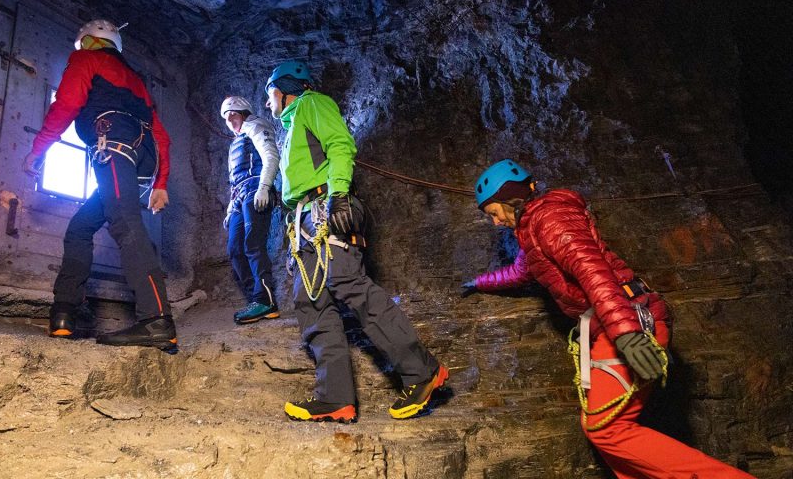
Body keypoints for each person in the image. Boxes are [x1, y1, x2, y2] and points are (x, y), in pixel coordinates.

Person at [464, 159, 754, 478]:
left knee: (606, 429)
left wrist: (625, 333)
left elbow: (593, 272)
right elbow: (521, 273)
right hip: (612, 323)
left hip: (627, 320)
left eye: (493, 212)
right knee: (604, 431)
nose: (494, 223)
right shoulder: (532, 232)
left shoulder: (550, 217)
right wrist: (480, 283)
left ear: (509, 198)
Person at [265, 60, 448, 423]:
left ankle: (421, 371)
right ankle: (334, 398)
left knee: (348, 283)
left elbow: (340, 145)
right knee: (311, 302)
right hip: (305, 220)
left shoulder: (311, 104)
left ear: (285, 90)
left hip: (325, 209)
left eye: (269, 92)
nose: (268, 101)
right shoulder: (291, 130)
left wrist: (339, 196)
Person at [23, 19, 177, 353]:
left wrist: (38, 150)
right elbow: (161, 134)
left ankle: (157, 320)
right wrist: (160, 183)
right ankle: (65, 312)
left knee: (126, 225)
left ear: (87, 41)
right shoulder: (136, 81)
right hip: (141, 159)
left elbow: (66, 105)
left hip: (114, 149)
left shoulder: (85, 60)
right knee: (81, 228)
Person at [220, 95, 281, 324]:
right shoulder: (235, 143)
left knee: (253, 245)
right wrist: (229, 209)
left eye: (233, 114)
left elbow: (270, 156)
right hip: (239, 198)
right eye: (226, 117)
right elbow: (233, 181)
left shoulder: (255, 126)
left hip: (256, 191)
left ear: (243, 113)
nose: (229, 120)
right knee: (235, 250)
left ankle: (266, 300)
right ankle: (256, 299)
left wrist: (265, 187)